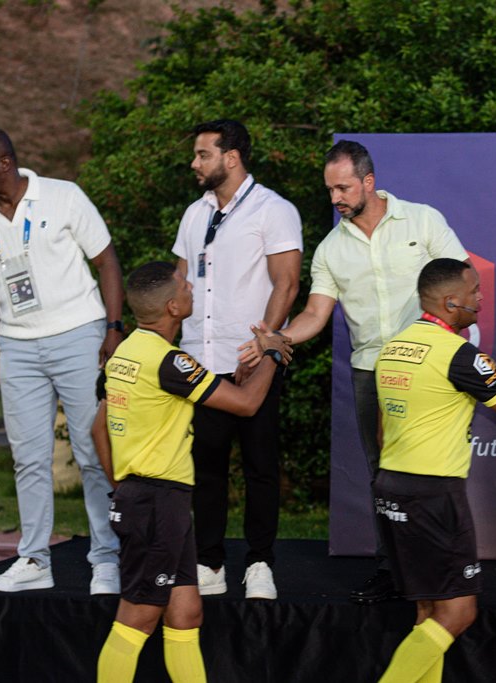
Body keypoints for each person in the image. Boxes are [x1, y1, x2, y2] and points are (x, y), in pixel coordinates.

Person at [239, 140, 468, 604]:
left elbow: (462, 283)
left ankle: (443, 566)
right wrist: (278, 336)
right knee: (382, 475)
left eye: (343, 188)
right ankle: (392, 569)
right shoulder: (330, 249)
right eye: (329, 190)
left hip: (429, 367)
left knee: (434, 469)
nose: (335, 198)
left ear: (368, 181)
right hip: (370, 374)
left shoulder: (423, 221)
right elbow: (315, 314)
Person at [0, 128, 123, 594]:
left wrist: (114, 328)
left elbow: (107, 262)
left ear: (4, 163)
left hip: (79, 335)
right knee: (28, 459)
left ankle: (107, 558)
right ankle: (35, 559)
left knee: (92, 452)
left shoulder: (63, 196)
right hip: (18, 348)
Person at [94, 261, 291, 682]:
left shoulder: (124, 352)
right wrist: (272, 354)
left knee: (186, 613)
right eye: (185, 285)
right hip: (156, 503)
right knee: (137, 617)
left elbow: (98, 428)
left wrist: (121, 484)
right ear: (172, 307)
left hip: (156, 500)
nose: (191, 288)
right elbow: (246, 405)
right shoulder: (170, 362)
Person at [372, 258, 496, 683]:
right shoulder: (459, 355)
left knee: (428, 612)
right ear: (451, 302)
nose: (481, 299)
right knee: (458, 613)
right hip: (434, 496)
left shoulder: (393, 347)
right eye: (474, 292)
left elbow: (381, 433)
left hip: (390, 487)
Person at [172, 119, 303, 599]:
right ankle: (209, 563)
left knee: (260, 466)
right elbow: (180, 283)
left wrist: (265, 344)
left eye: (203, 154)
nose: (194, 163)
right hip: (199, 361)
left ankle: (260, 563)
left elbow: (287, 282)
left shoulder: (274, 209)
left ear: (231, 158)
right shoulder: (194, 214)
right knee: (205, 467)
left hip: (252, 359)